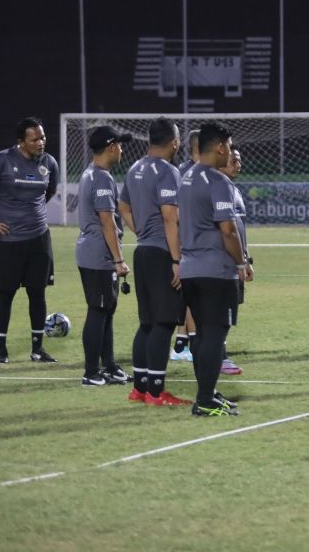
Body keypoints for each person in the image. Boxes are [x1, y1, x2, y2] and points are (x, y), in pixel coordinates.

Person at [0, 117, 61, 364]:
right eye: (35, 139)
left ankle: (37, 349)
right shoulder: (2, 160)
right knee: (6, 293)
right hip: (7, 241)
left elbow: (49, 191)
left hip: (39, 239)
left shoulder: (49, 163)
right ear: (21, 142)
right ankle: (1, 349)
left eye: (42, 137)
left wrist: (33, 214)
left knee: (37, 294)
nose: (41, 142)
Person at [118, 117, 191, 406]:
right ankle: (157, 393)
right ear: (174, 142)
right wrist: (177, 260)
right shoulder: (168, 172)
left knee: (146, 323)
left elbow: (122, 206)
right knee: (163, 323)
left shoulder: (134, 168)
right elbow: (170, 217)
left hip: (142, 251)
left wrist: (142, 231)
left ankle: (140, 388)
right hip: (163, 254)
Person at [178, 121, 246, 416]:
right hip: (215, 270)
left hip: (190, 268)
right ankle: (204, 400)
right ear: (219, 147)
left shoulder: (186, 177)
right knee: (216, 335)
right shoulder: (219, 182)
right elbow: (228, 231)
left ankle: (208, 393)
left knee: (201, 336)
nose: (229, 153)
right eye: (229, 147)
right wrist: (242, 262)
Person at [75, 125, 135, 387]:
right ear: (111, 147)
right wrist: (119, 259)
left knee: (107, 309)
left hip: (94, 252)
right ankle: (91, 372)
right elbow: (108, 222)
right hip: (99, 254)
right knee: (98, 310)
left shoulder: (91, 173)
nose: (122, 149)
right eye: (120, 145)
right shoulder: (101, 178)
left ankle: (109, 367)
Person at [218, 147, 253, 376]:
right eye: (233, 159)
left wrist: (247, 258)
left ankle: (217, 354)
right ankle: (218, 358)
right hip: (223, 263)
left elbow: (239, 229)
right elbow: (227, 231)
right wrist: (239, 262)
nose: (237, 163)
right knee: (220, 313)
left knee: (228, 311)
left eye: (239, 160)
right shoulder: (218, 187)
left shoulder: (232, 188)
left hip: (236, 260)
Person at [171, 127, 201, 362]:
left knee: (188, 295)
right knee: (194, 294)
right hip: (189, 244)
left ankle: (182, 342)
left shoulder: (182, 171)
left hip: (184, 243)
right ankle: (193, 342)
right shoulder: (192, 175)